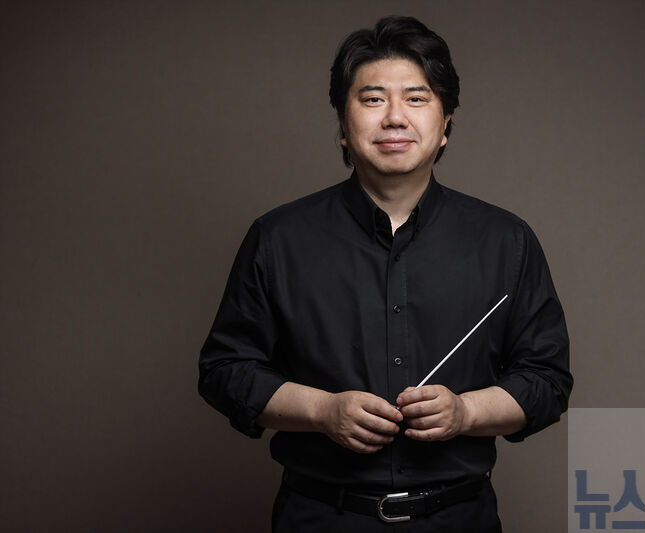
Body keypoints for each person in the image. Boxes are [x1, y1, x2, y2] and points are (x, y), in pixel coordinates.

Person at [198, 15, 572, 532]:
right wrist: (322, 411)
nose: (395, 117)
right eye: (373, 99)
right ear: (342, 125)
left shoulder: (505, 240)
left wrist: (465, 413)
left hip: (459, 519)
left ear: (445, 124)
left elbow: (547, 380)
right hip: (320, 518)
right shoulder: (278, 237)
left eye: (416, 98)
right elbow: (225, 370)